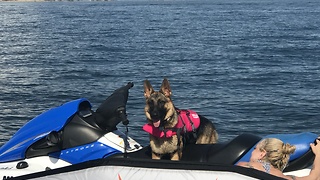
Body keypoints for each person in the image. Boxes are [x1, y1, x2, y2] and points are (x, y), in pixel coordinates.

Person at [237, 138, 320, 180]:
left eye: (255, 149)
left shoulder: (244, 166)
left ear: (262, 153)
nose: (252, 152)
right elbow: (314, 177)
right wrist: (318, 154)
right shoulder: (287, 178)